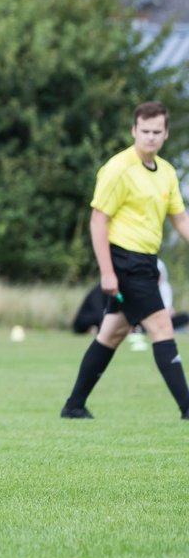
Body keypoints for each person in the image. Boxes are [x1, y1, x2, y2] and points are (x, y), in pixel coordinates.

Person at [61, 101, 189, 420]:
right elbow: (98, 221)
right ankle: (188, 408)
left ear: (165, 133)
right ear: (134, 130)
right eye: (144, 131)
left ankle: (74, 406)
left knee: (112, 334)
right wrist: (107, 272)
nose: (150, 137)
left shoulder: (168, 173)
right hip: (124, 261)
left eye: (156, 132)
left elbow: (181, 219)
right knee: (161, 326)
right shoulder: (118, 169)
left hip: (146, 261)